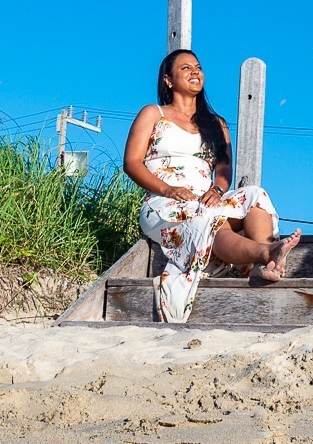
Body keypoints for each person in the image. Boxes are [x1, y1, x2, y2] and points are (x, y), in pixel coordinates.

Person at [123, 49, 301, 323]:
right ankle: (267, 252)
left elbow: (223, 170)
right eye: (185, 68)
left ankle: (259, 264)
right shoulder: (153, 114)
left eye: (198, 67)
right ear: (168, 80)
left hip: (207, 199)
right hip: (164, 204)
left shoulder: (216, 124)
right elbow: (132, 163)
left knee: (255, 195)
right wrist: (168, 189)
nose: (195, 71)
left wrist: (218, 190)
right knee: (208, 218)